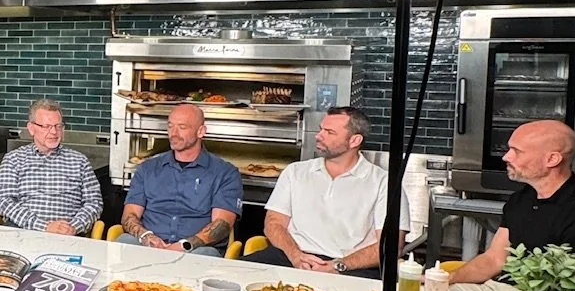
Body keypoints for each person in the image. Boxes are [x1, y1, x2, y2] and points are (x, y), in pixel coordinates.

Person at [449, 120, 575, 282]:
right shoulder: (521, 200)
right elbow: (494, 258)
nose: (506, 157)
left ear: (552, 159)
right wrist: (447, 279)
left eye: (516, 151)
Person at [251, 105, 408, 272]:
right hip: (291, 257)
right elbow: (273, 223)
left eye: (330, 132)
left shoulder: (384, 183)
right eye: (321, 129)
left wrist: (338, 265)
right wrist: (295, 255)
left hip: (351, 267)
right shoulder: (295, 172)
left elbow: (390, 246)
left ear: (355, 140)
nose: (319, 136)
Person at [121, 105, 242, 255]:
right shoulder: (147, 168)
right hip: (149, 245)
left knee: (205, 254)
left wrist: (185, 245)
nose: (173, 133)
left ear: (201, 131)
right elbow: (129, 215)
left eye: (182, 127)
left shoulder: (225, 173)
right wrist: (146, 236)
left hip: (195, 249)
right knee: (124, 242)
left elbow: (222, 225)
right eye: (170, 126)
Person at [0, 99, 102, 236]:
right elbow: (4, 201)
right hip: (23, 233)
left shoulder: (79, 161)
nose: (54, 132)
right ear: (31, 129)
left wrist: (73, 227)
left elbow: (94, 203)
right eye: (47, 127)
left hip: (69, 237)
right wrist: (44, 226)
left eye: (58, 126)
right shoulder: (14, 159)